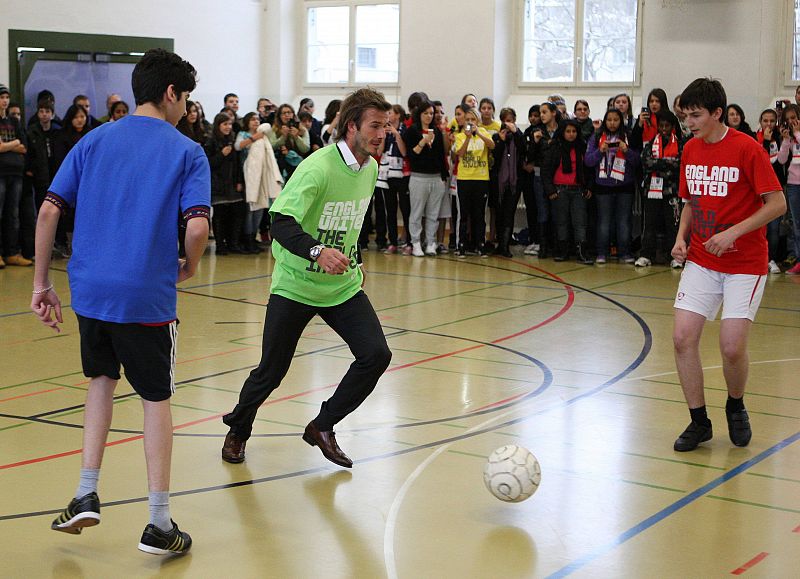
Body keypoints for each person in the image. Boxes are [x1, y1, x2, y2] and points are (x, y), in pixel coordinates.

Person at [31, 48, 210, 553]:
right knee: (156, 400)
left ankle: (85, 492)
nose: (186, 109)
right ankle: (159, 522)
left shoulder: (93, 140)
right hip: (146, 297)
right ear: (171, 93)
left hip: (91, 293)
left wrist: (41, 284)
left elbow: (48, 212)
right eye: (185, 98)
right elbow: (197, 226)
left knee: (100, 381)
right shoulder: (186, 151)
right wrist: (191, 264)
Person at [221, 87, 393, 469]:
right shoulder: (318, 167)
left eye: (386, 126)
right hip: (296, 285)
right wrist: (318, 252)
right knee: (271, 371)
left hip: (341, 287)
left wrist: (355, 259)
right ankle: (238, 429)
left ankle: (323, 426)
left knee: (376, 355)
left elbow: (350, 221)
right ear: (352, 126)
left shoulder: (370, 168)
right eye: (375, 125)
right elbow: (280, 222)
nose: (382, 134)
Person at [670, 78, 786, 452]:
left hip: (745, 264)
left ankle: (735, 405)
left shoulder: (747, 149)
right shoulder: (690, 149)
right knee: (682, 338)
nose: (689, 122)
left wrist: (733, 233)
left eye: (696, 115)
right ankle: (699, 421)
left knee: (732, 347)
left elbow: (777, 204)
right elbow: (690, 201)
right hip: (702, 259)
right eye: (685, 116)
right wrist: (681, 237)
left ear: (717, 113)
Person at [541, 118, 592, 264]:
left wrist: (589, 187)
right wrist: (550, 190)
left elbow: (588, 169)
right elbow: (546, 170)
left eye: (574, 131)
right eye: (568, 131)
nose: (571, 134)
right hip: (560, 190)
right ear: (562, 132)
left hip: (578, 190)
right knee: (561, 222)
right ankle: (562, 252)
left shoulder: (582, 146)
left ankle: (581, 252)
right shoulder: (554, 147)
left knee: (580, 222)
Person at [637, 111, 683, 268]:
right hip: (652, 190)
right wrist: (667, 164)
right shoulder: (651, 143)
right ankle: (645, 255)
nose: (664, 129)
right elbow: (646, 162)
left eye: (667, 126)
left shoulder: (680, 144)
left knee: (673, 225)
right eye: (661, 126)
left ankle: (675, 256)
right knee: (649, 224)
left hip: (672, 191)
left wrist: (659, 164)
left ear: (672, 127)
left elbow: (679, 165)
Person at [454, 107, 494, 257]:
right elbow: (460, 153)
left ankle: (480, 244)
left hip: (481, 179)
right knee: (464, 214)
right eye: (467, 120)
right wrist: (468, 137)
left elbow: (492, 145)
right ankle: (462, 245)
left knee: (479, 214)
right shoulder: (460, 136)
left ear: (477, 121)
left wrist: (479, 134)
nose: (470, 122)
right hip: (464, 178)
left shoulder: (484, 132)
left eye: (473, 120)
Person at [0, 83, 31, 268]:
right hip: (1, 173)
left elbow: (24, 147)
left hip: (16, 173)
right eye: (1, 97)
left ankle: (12, 253)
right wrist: (14, 144)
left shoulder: (14, 122)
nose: (4, 101)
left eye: (6, 97)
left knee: (13, 215)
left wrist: (7, 145)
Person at [777, 103, 800, 275]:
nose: (791, 122)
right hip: (793, 184)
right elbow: (782, 160)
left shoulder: (797, 135)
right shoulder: (790, 138)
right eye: (788, 119)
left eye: (794, 118)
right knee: (796, 224)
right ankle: (799, 259)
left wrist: (798, 133)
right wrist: (785, 140)